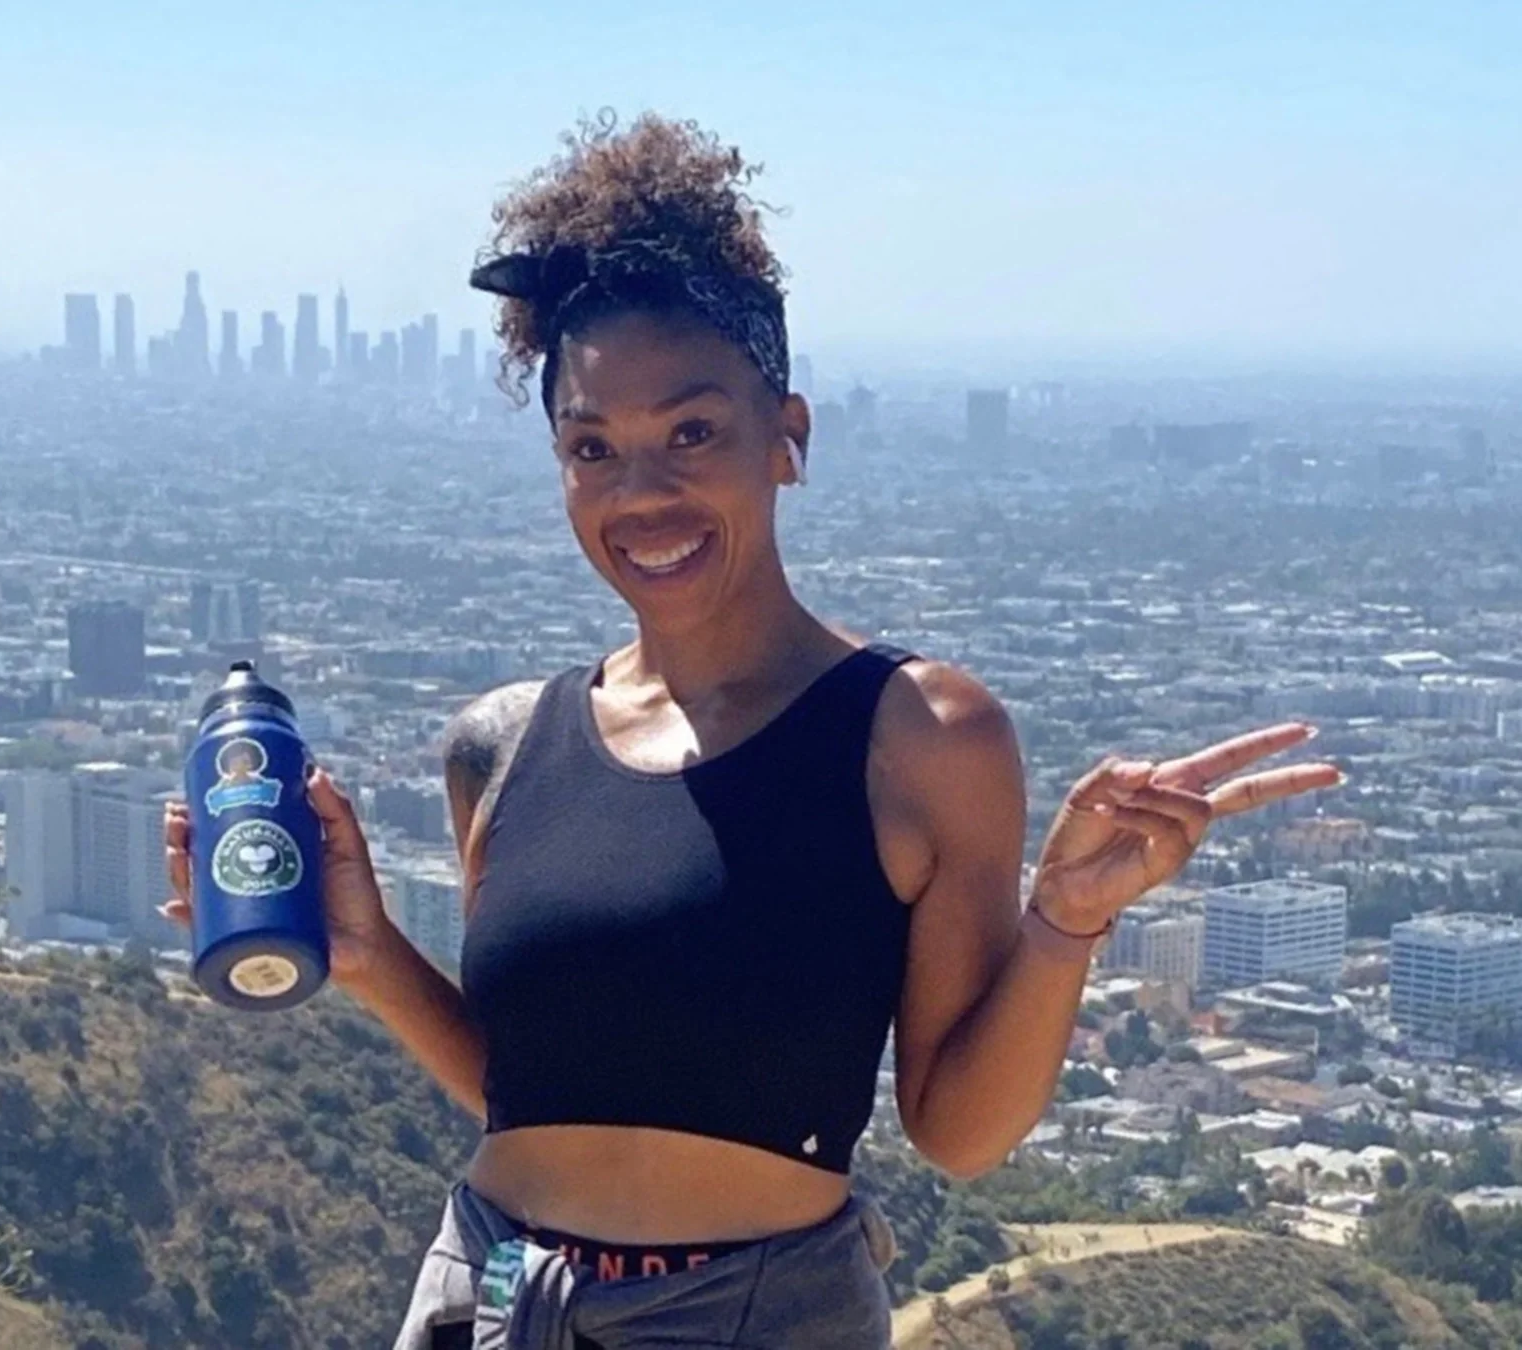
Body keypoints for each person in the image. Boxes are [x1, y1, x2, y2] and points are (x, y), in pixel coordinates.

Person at [164, 112, 1341, 1349]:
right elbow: (536, 1096)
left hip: (756, 1314)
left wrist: (1063, 930)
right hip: (492, 1295)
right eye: (592, 448)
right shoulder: (502, 745)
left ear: (788, 437)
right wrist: (369, 955)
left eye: (692, 434)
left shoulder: (920, 735)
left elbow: (959, 1130)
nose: (641, 493)